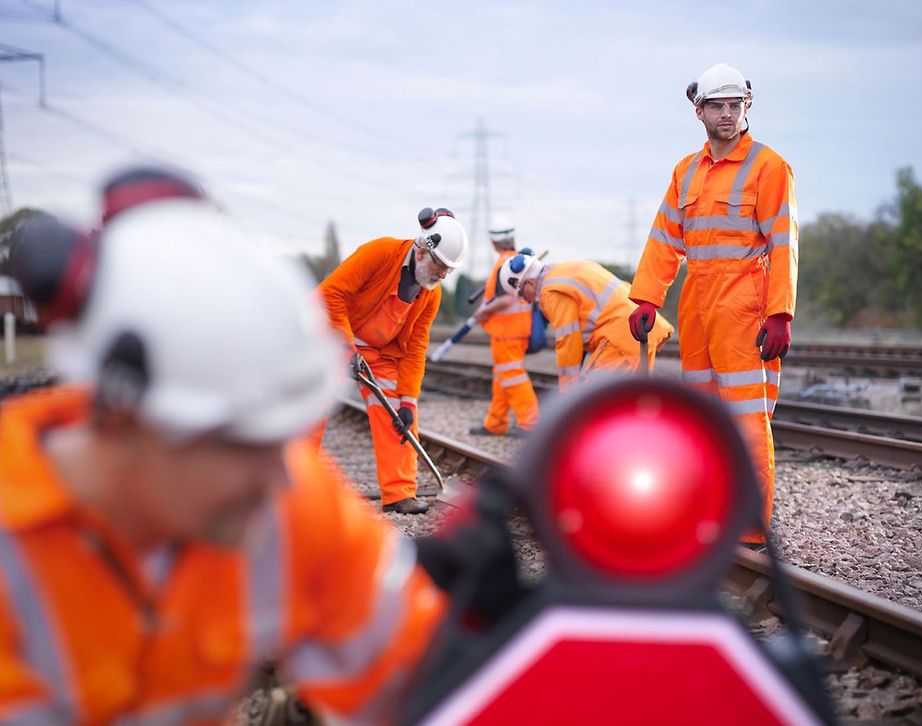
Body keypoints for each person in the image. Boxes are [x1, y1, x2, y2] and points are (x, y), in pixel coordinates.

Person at [0, 174, 444, 724]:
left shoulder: (287, 506)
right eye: (242, 445)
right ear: (121, 416)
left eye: (281, 440)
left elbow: (418, 679)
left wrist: (469, 637)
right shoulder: (12, 560)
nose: (282, 479)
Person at [628, 63, 798, 546]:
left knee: (746, 416)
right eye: (717, 106)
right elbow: (664, 239)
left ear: (747, 106)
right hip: (697, 302)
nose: (727, 115)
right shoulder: (686, 171)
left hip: (745, 301)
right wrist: (645, 297)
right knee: (702, 416)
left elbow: (784, 243)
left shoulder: (769, 167)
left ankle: (750, 524)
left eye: (735, 105)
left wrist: (779, 312)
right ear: (697, 109)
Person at [315, 208, 468, 515]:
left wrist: (409, 401)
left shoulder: (431, 294)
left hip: (376, 352)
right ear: (423, 250)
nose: (442, 274)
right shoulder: (380, 253)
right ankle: (287, 481)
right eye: (441, 265)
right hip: (329, 335)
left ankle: (400, 493)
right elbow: (330, 296)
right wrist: (346, 349)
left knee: (397, 412)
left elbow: (415, 348)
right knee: (309, 406)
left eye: (449, 271)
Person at [499, 251, 673, 390]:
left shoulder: (549, 291)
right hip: (640, 329)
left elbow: (568, 340)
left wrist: (568, 389)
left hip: (620, 339)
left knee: (591, 402)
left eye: (522, 295)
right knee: (630, 405)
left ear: (528, 283)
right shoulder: (568, 269)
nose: (527, 301)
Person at [468, 215, 539, 437]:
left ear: (493, 242)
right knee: (503, 377)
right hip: (514, 329)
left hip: (507, 330)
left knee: (512, 376)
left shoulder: (504, 264)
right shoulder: (520, 262)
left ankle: (531, 425)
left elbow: (506, 299)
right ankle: (495, 423)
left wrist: (483, 311)